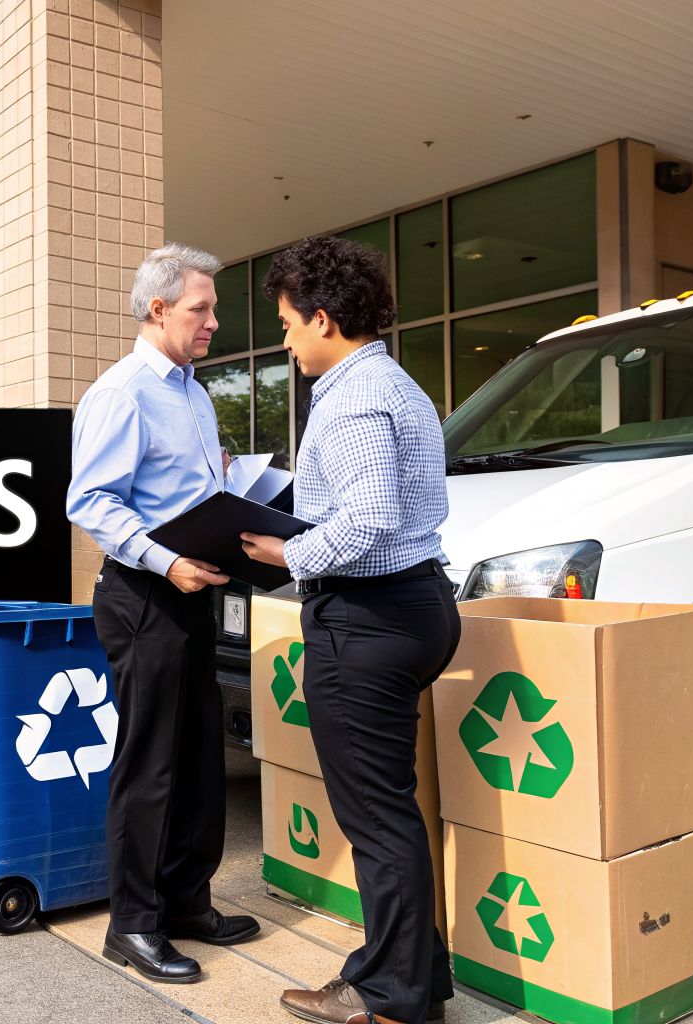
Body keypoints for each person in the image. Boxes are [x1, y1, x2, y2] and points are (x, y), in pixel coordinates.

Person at [239, 236, 459, 1024]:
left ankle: (392, 998)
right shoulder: (395, 385)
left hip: (368, 621)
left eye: (290, 325)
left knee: (377, 817)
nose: (287, 341)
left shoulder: (356, 397)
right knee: (390, 810)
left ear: (325, 318)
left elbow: (368, 519)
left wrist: (285, 549)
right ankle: (411, 978)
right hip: (413, 607)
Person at [66, 241, 261, 985]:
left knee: (199, 760)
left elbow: (184, 488)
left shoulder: (192, 391)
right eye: (200, 309)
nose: (214, 321)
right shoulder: (122, 393)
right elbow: (90, 501)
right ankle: (133, 925)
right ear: (157, 309)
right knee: (148, 766)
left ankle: (186, 901)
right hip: (146, 597)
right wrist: (168, 561)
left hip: (194, 595)